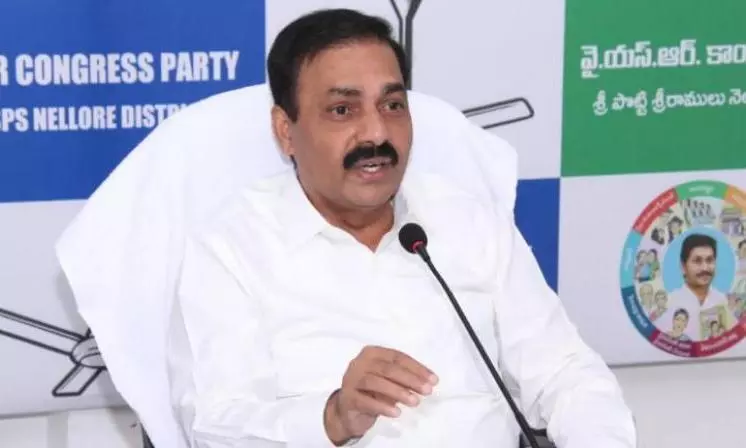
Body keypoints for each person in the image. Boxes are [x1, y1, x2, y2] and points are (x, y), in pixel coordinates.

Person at [165, 8, 636, 447]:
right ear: (286, 130)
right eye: (343, 110)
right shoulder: (232, 249)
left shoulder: (466, 220)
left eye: (392, 105)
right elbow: (216, 425)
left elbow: (565, 373)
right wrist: (333, 417)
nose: (376, 134)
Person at [660, 234, 734, 341]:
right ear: (683, 267)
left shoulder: (724, 302)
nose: (705, 268)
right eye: (697, 261)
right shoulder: (669, 304)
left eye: (710, 260)